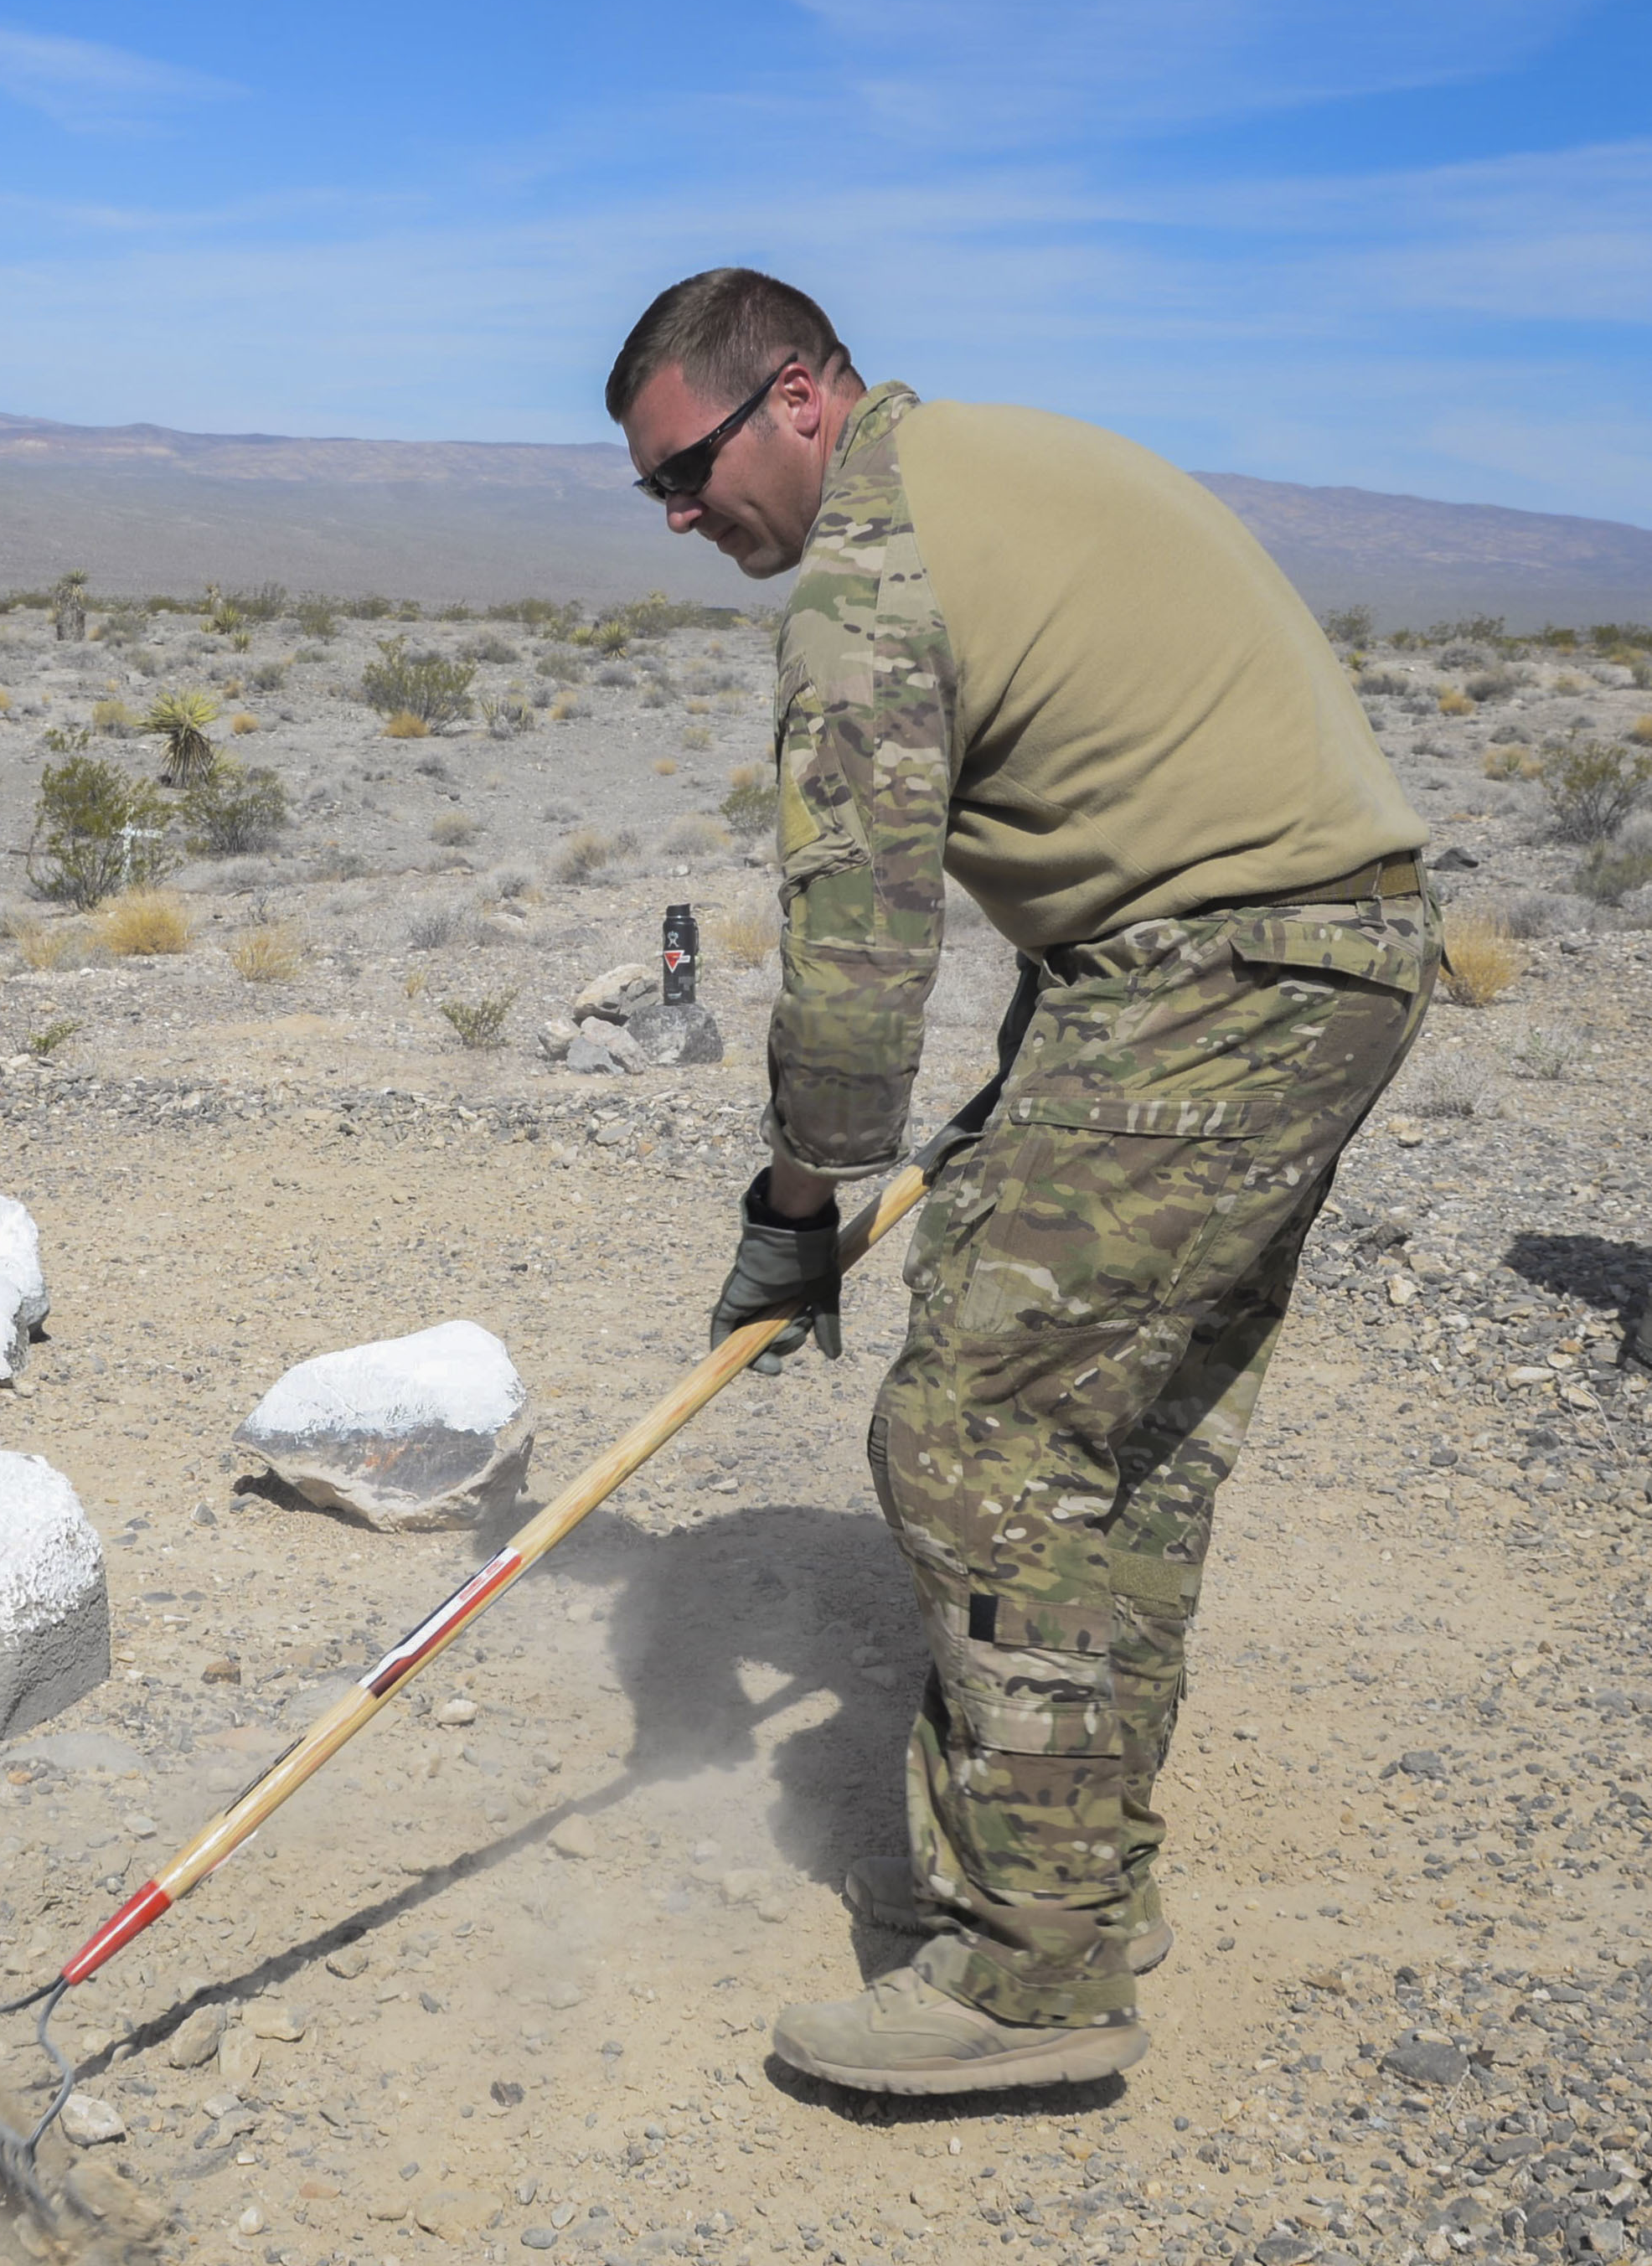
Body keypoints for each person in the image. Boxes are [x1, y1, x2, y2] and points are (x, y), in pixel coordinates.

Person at [608, 268, 1436, 2093]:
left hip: (1222, 978)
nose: (681, 515)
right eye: (652, 491)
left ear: (802, 399)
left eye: (691, 467)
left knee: (978, 1436)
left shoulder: (870, 576)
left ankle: (1030, 1985)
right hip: (1306, 968)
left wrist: (794, 1218)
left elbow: (854, 949)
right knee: (1120, 1442)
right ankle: (1076, 1885)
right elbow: (1128, 804)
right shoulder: (991, 466)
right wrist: (1031, 1089)